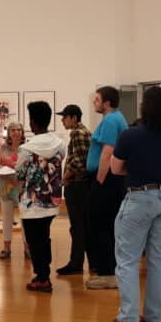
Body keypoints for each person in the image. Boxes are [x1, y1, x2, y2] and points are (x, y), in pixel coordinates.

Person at [97, 87, 161, 322]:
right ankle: (154, 316)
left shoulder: (130, 135)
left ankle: (128, 317)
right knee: (158, 260)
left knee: (127, 259)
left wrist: (136, 171)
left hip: (139, 198)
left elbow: (116, 168)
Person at [17, 101, 65, 292]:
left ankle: (42, 277)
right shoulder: (60, 144)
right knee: (44, 237)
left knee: (34, 240)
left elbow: (19, 174)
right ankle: (44, 274)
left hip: (32, 203)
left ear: (33, 123)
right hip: (52, 200)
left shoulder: (27, 148)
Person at [85, 86, 128, 289]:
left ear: (107, 103)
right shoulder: (116, 118)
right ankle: (109, 270)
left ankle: (107, 273)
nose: (95, 102)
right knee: (108, 225)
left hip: (107, 179)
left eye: (97, 99)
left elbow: (107, 152)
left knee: (100, 224)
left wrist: (99, 180)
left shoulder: (111, 120)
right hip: (112, 179)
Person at [55, 104, 92, 275]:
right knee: (83, 226)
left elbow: (78, 162)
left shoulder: (78, 133)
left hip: (77, 186)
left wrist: (64, 179)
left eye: (65, 117)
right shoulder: (83, 132)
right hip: (82, 186)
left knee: (77, 227)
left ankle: (76, 263)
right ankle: (91, 263)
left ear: (74, 118)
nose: (62, 120)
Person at [0, 121, 30, 259]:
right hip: (6, 186)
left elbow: (32, 168)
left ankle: (27, 248)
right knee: (7, 218)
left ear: (22, 132)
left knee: (25, 219)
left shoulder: (28, 149)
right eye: (13, 130)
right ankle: (6, 248)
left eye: (18, 130)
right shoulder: (3, 148)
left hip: (23, 187)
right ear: (9, 133)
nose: (16, 132)